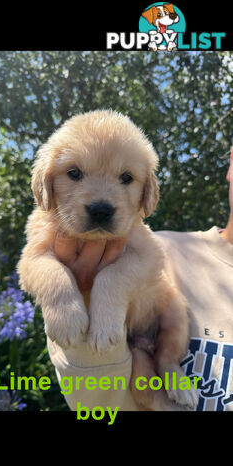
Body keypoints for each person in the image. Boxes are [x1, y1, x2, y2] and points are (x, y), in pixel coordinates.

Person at [47, 148, 233, 411]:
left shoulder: (145, 248)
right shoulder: (166, 250)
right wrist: (76, 297)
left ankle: (168, 367)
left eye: (125, 178)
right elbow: (94, 401)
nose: (102, 198)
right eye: (75, 174)